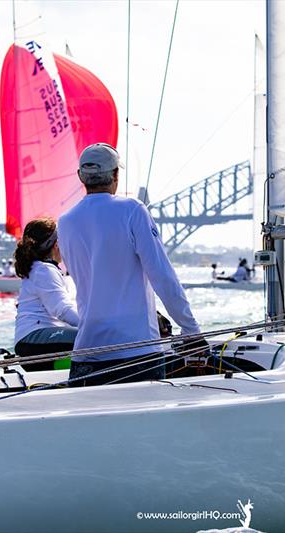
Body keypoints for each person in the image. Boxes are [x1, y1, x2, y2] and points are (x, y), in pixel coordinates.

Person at [57, 143, 206, 387]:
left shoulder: (65, 222)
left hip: (87, 351)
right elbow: (163, 276)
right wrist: (191, 329)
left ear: (80, 177)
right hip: (137, 351)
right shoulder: (132, 210)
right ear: (115, 174)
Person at [13, 218, 78, 371]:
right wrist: (93, 328)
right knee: (94, 337)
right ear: (56, 244)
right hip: (33, 339)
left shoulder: (39, 268)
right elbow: (62, 310)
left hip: (31, 341)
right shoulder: (44, 270)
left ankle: (63, 372)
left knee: (90, 336)